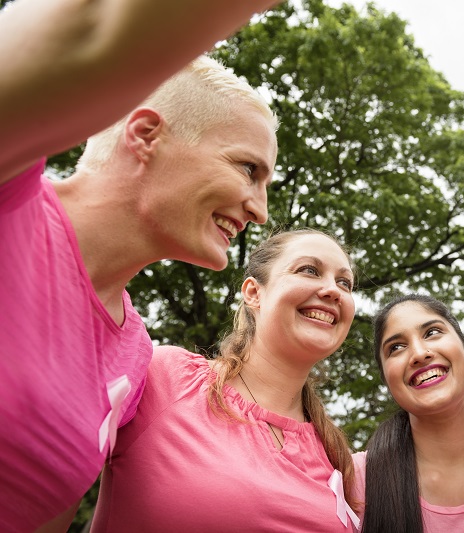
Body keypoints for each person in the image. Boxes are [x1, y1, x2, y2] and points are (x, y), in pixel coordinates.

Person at [0, 1, 280, 528]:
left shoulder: (135, 355)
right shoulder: (9, 193)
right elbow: (89, 28)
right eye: (248, 169)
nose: (260, 211)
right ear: (145, 134)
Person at [91, 228, 360, 531]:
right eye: (309, 270)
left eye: (344, 283)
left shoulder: (339, 459)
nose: (333, 290)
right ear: (253, 293)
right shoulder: (164, 377)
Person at [355, 294, 464, 533]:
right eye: (396, 347)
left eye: (432, 332)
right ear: (388, 381)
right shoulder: (354, 481)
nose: (419, 353)